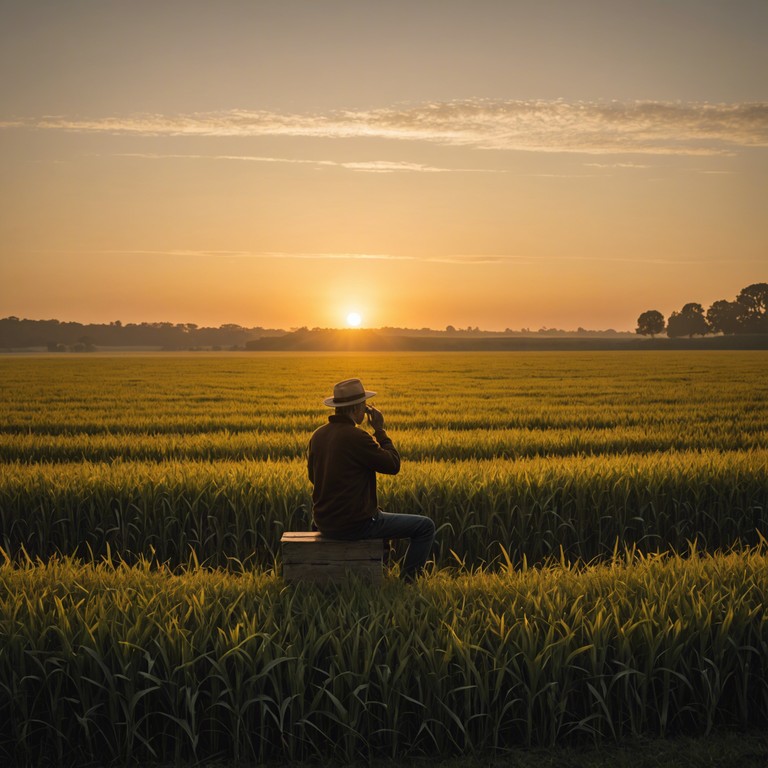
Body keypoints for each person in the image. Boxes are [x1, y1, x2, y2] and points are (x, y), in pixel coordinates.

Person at [307, 377, 435, 581]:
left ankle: (380, 568)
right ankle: (408, 584)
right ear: (358, 408)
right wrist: (380, 430)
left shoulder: (318, 435)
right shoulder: (357, 437)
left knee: (379, 514)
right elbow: (393, 465)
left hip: (323, 522)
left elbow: (313, 477)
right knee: (425, 526)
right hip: (354, 526)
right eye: (364, 406)